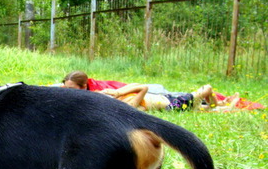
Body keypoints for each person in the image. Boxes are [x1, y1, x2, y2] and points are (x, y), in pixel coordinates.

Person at [62, 72, 241, 112]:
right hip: (168, 104)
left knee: (205, 96)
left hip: (168, 101)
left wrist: (116, 93)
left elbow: (142, 87)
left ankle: (219, 103)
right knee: (207, 102)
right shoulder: (122, 105)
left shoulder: (111, 96)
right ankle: (223, 105)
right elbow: (143, 88)